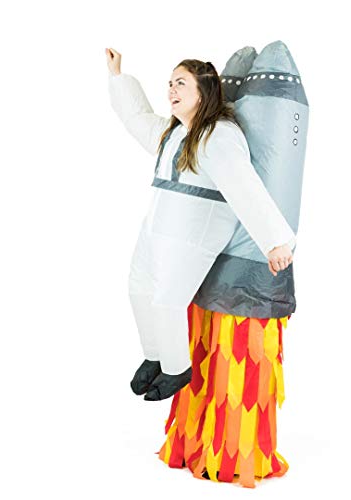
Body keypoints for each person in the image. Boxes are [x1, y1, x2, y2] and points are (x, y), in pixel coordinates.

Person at [105, 47, 296, 401]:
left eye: (180, 83)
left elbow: (244, 186)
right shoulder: (175, 133)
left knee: (168, 300)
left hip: (195, 232)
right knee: (138, 288)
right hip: (159, 226)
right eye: (170, 83)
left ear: (202, 91)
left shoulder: (218, 135)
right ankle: (155, 355)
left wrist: (275, 241)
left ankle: (176, 368)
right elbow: (137, 119)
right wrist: (119, 78)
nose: (171, 90)